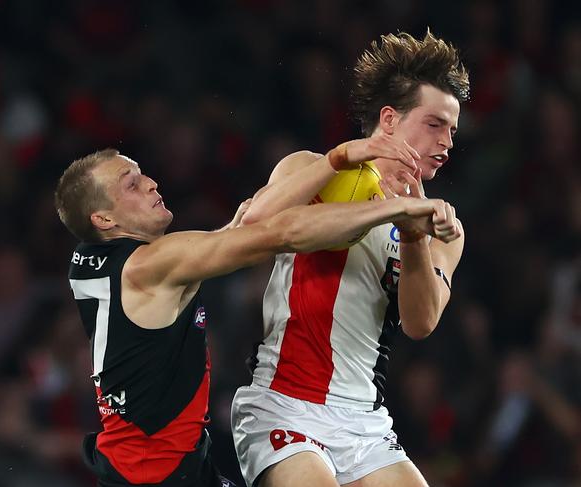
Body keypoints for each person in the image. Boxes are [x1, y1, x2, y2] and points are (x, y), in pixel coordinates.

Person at [54, 145, 459, 487]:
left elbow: (213, 246)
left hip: (153, 463)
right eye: (131, 184)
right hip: (157, 475)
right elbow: (282, 236)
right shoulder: (152, 264)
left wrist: (233, 229)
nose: (150, 184)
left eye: (142, 175)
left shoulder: (89, 261)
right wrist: (383, 201)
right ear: (104, 219)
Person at [231, 30, 469, 487]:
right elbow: (250, 227)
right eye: (435, 124)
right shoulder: (309, 168)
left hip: (363, 420)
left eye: (452, 131)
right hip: (283, 403)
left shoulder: (442, 229)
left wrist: (416, 238)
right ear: (389, 119)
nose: (448, 142)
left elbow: (419, 324)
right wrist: (341, 159)